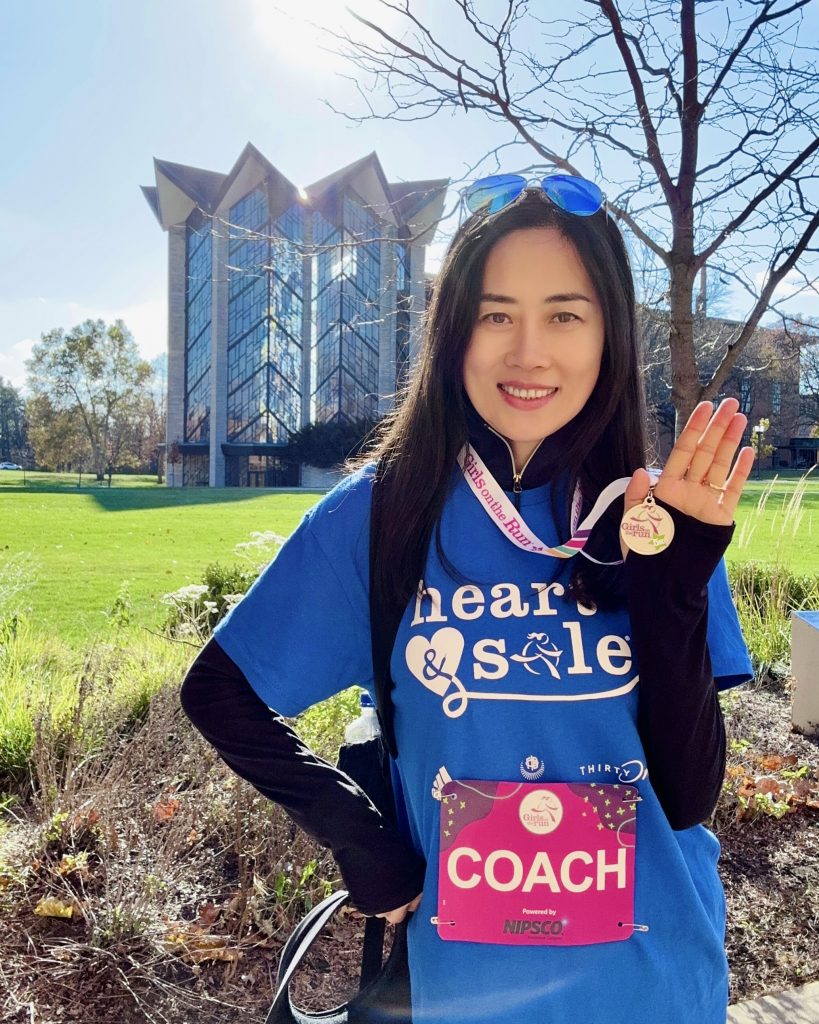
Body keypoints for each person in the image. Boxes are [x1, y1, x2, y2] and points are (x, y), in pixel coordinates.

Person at [180, 174, 754, 1024]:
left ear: (608, 336)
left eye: (565, 314)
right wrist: (360, 840)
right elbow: (218, 691)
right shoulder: (378, 514)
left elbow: (688, 798)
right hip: (464, 993)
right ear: (451, 333)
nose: (528, 353)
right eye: (495, 315)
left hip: (652, 982)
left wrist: (676, 577)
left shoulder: (656, 515)